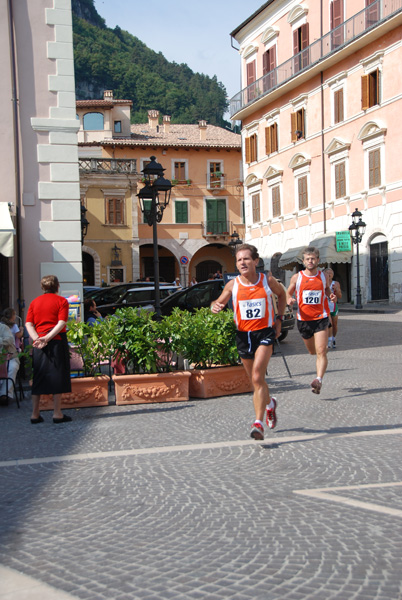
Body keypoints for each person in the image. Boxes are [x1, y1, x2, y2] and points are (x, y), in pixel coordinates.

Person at [211, 244, 286, 440]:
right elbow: (216, 302)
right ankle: (270, 404)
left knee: (257, 376)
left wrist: (279, 319)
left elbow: (282, 294)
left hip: (264, 333)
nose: (242, 262)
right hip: (243, 336)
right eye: (239, 260)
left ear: (255, 261)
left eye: (246, 259)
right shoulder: (232, 285)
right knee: (256, 381)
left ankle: (258, 423)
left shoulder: (266, 280)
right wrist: (215, 306)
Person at [287, 247, 336, 395]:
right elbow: (288, 292)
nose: (310, 261)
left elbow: (327, 289)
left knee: (321, 351)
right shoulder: (297, 277)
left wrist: (331, 295)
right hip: (304, 320)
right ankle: (320, 353)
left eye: (313, 258)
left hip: (321, 317)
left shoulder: (323, 276)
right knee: (312, 351)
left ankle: (318, 379)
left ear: (318, 260)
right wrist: (289, 299)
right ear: (303, 261)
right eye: (308, 259)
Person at [25, 275, 72, 424]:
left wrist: (38, 338)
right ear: (57, 286)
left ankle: (35, 414)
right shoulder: (62, 301)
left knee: (38, 375)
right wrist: (48, 337)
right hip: (57, 341)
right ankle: (57, 413)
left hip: (39, 343)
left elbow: (28, 324)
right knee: (58, 375)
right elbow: (61, 322)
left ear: (42, 287)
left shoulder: (34, 302)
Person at [0, 321, 20, 406]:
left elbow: (9, 339)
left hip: (10, 357)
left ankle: (5, 395)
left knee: (12, 367)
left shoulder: (3, 327)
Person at [324, 268, 342, 348]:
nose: (329, 274)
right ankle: (329, 340)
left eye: (331, 273)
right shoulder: (322, 283)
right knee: (329, 324)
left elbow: (340, 296)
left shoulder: (336, 283)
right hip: (325, 306)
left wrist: (336, 290)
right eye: (327, 273)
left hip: (333, 306)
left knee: (334, 324)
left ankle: (333, 338)